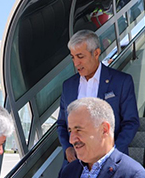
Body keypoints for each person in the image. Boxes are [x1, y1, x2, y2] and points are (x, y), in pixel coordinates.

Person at [58, 30, 139, 163]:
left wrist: (112, 153)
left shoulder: (121, 81)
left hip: (111, 163)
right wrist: (67, 148)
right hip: (76, 164)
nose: (76, 63)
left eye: (80, 56)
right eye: (73, 57)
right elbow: (62, 124)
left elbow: (131, 122)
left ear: (96, 53)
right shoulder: (68, 86)